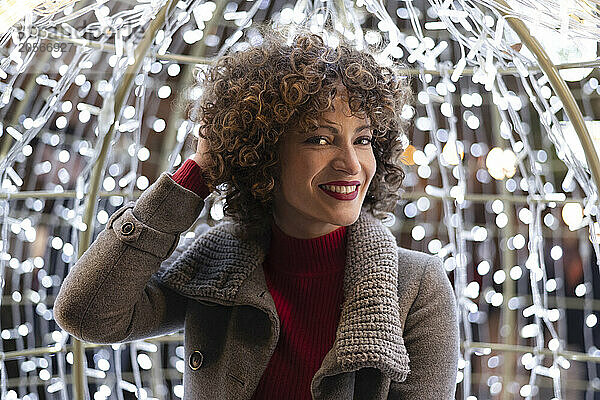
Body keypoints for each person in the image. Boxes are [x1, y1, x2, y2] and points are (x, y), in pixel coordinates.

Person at [54, 24, 459, 400]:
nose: (352, 165)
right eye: (320, 139)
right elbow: (87, 314)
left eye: (364, 139)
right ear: (264, 154)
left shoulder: (417, 284)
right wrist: (194, 177)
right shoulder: (215, 265)